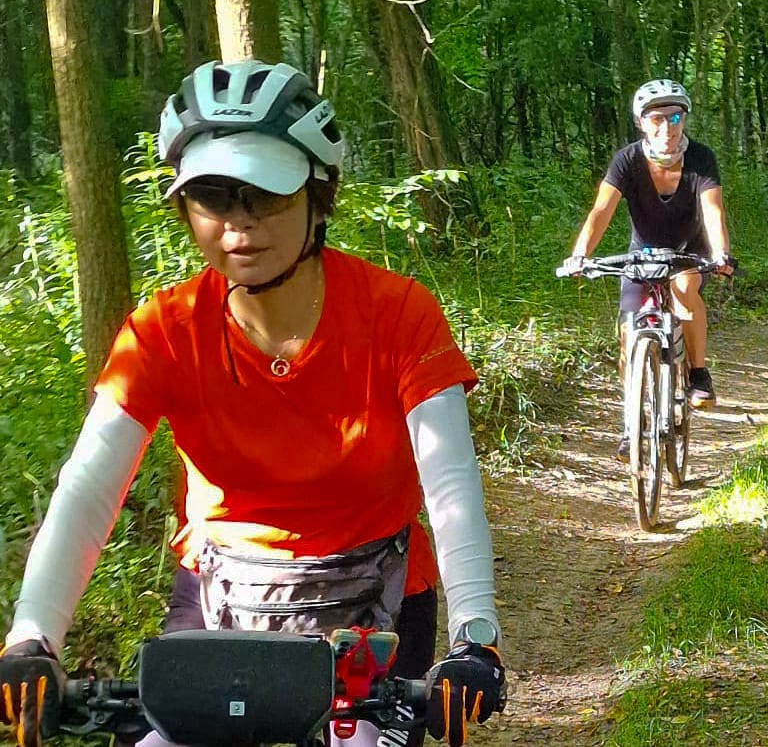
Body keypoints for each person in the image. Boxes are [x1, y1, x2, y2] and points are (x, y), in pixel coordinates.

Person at [0, 61, 505, 747]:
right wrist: (33, 635)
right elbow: (89, 488)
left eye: (266, 194)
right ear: (184, 206)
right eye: (213, 196)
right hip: (220, 597)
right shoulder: (164, 330)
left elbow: (451, 483)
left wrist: (476, 638)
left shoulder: (398, 315)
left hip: (371, 605)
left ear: (317, 196)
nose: (240, 224)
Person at [561, 79, 735, 458]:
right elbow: (600, 212)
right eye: (656, 118)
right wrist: (579, 255)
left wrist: (721, 254)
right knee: (628, 335)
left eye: (675, 117)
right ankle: (631, 425)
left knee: (685, 291)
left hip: (690, 250)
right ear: (641, 123)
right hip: (642, 253)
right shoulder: (627, 160)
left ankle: (699, 373)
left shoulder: (701, 158)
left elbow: (713, 211)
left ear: (684, 119)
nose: (667, 127)